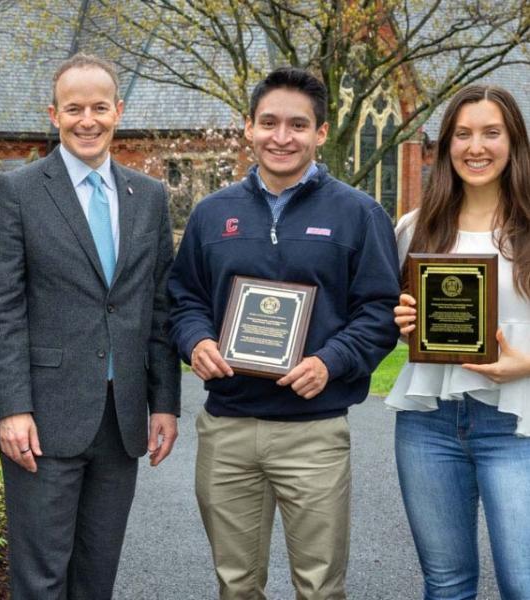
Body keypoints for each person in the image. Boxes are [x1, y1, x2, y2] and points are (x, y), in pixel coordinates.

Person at [168, 67, 400, 599]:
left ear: (320, 132)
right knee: (235, 584)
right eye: (268, 122)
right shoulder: (211, 213)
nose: (281, 136)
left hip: (313, 433)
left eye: (298, 125)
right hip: (227, 430)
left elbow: (380, 309)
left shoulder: (359, 214)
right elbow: (184, 299)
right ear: (248, 126)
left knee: (319, 587)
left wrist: (331, 360)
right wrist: (197, 341)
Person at [0, 52, 181, 598]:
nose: (86, 120)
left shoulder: (150, 197)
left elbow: (159, 308)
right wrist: (13, 409)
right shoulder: (18, 193)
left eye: (98, 107)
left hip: (122, 419)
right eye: (74, 108)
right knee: (41, 578)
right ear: (54, 114)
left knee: (97, 576)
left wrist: (164, 402)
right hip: (44, 418)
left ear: (119, 110)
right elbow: (2, 308)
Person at [388, 84, 530, 600]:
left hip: (517, 426)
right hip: (429, 424)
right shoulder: (414, 229)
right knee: (446, 583)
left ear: (514, 142)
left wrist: (527, 364)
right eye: (463, 134)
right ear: (446, 144)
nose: (477, 147)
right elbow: (395, 325)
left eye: (492, 133)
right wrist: (405, 320)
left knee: (523, 582)